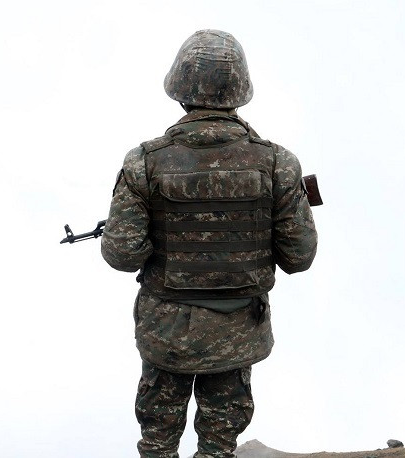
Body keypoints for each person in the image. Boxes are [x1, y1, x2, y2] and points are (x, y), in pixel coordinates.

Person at [101, 30, 318, 458]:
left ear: (179, 88)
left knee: (158, 443)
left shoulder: (143, 162)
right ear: (240, 90)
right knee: (220, 446)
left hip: (167, 333)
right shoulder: (279, 163)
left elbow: (122, 254)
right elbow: (299, 256)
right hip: (237, 331)